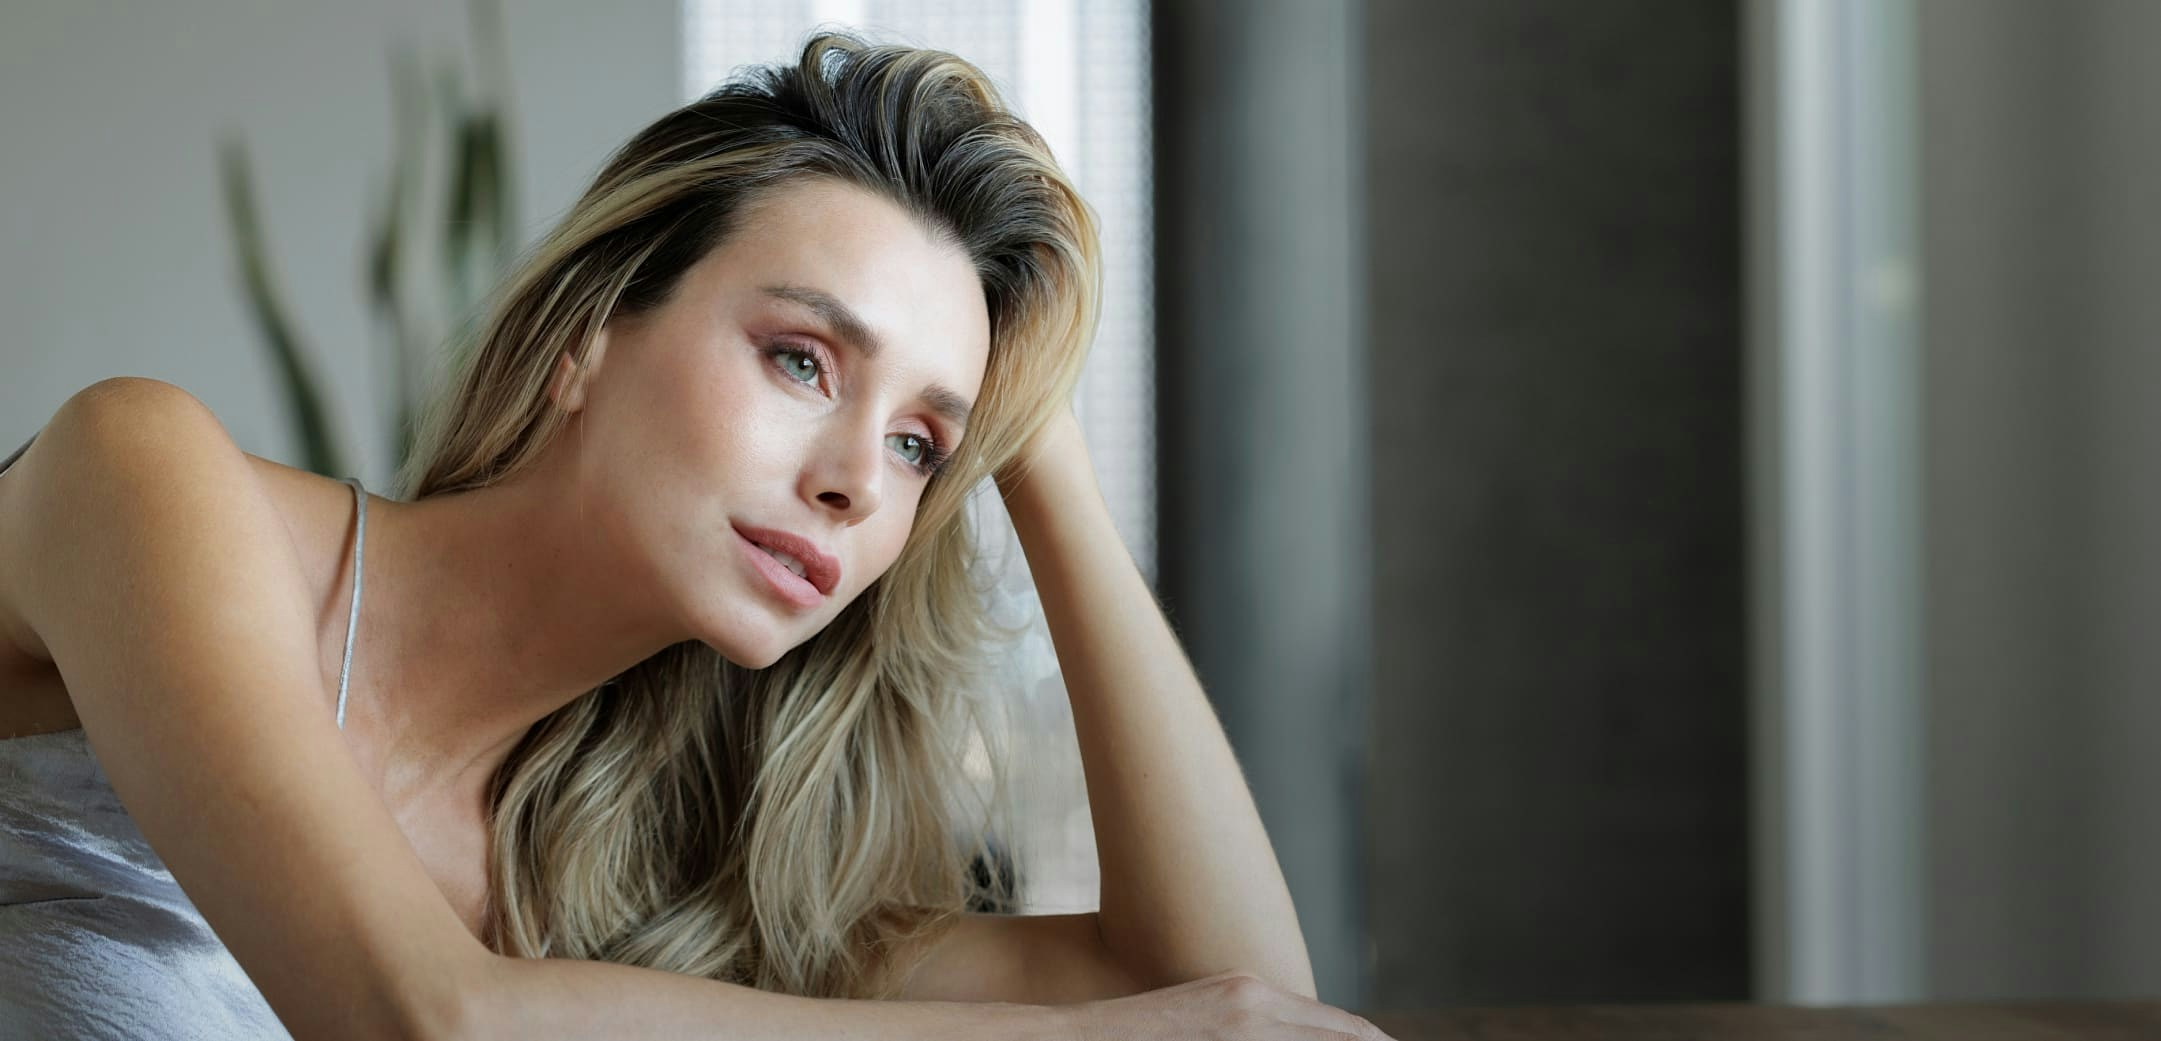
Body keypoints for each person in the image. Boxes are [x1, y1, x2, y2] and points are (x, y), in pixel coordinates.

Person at [0, 31, 1394, 1041]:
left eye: (920, 445)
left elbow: (1230, 996)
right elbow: (420, 1018)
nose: (856, 482)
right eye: (802, 360)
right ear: (587, 340)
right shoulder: (142, 476)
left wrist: (1040, 449)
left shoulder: (657, 880)